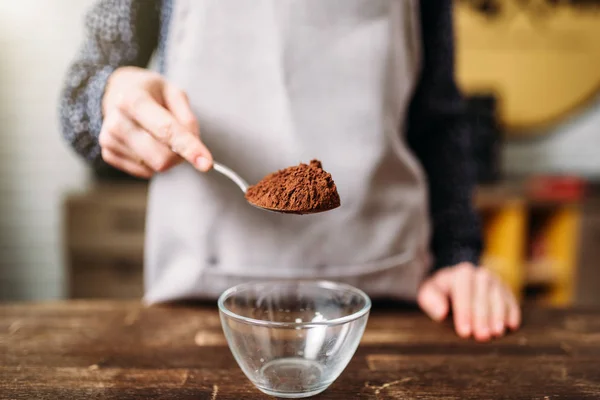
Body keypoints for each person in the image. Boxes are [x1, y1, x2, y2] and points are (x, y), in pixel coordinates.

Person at [60, 0, 521, 342]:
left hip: (390, 306)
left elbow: (438, 118)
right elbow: (80, 92)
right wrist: (107, 98)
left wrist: (459, 256)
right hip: (198, 313)